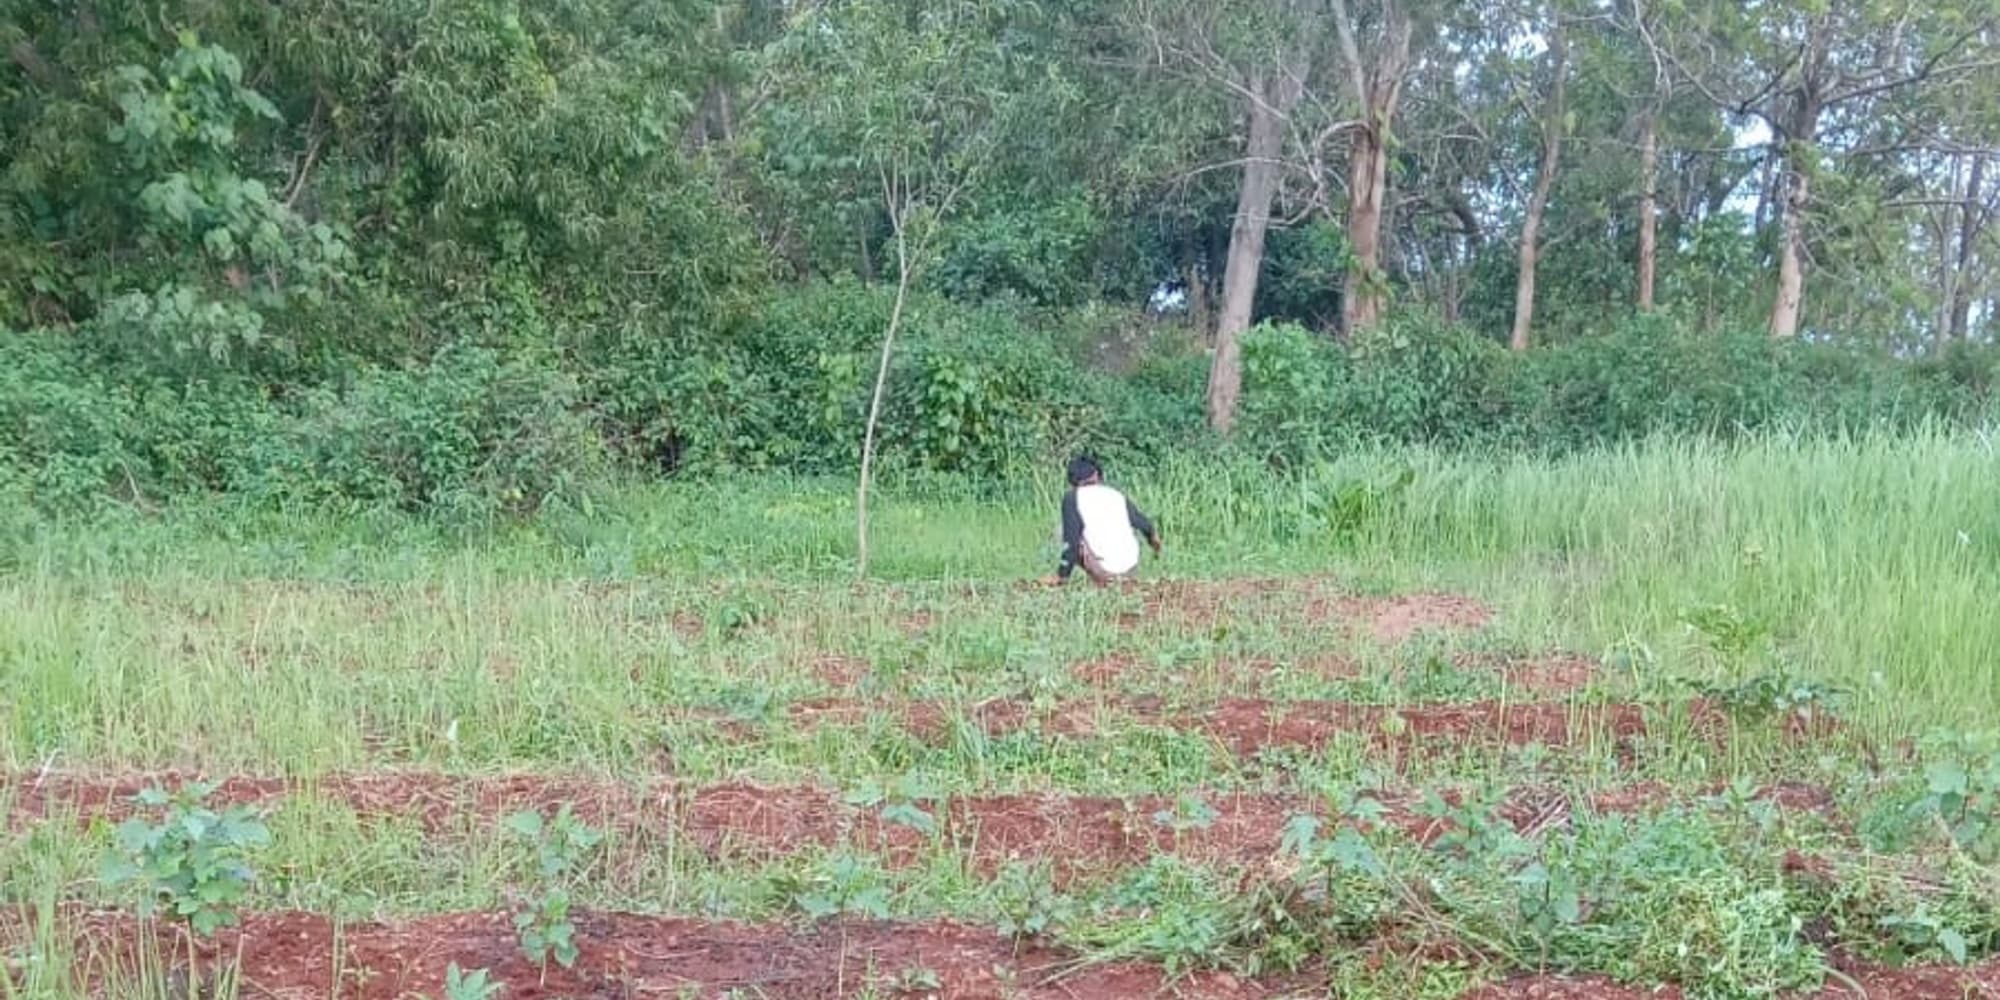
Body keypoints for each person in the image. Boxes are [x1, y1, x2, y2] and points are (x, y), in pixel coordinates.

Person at [1046, 456, 1161, 586]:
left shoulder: (1072, 498)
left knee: (1061, 530)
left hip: (1103, 568)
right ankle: (1124, 578)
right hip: (1130, 565)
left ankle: (1100, 580)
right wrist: (1155, 546)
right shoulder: (1116, 494)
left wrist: (1062, 574)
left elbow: (1071, 541)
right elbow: (1144, 524)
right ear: (1097, 475)